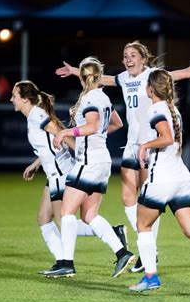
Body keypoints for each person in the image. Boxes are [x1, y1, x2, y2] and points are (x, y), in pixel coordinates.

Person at [55, 41, 190, 272]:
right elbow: (100, 78)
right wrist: (74, 72)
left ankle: (150, 251)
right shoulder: (124, 78)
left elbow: (186, 73)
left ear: (143, 59)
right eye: (125, 55)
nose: (128, 59)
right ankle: (148, 247)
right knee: (128, 199)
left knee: (149, 199)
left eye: (133, 55)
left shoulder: (153, 76)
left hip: (151, 147)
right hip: (132, 145)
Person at [128, 69, 190, 299]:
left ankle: (151, 277)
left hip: (160, 178)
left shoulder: (155, 109)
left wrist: (145, 146)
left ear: (150, 89)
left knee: (142, 225)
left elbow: (166, 138)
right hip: (181, 178)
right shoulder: (173, 109)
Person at [11, 80, 128, 275]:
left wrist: (80, 154)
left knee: (64, 220)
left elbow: (60, 134)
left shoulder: (37, 115)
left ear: (24, 99)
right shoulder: (34, 116)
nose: (11, 99)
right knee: (43, 219)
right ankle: (61, 262)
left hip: (61, 173)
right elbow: (50, 143)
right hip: (53, 173)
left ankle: (106, 238)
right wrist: (35, 164)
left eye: (14, 95)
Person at [48, 56, 136, 278]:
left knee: (66, 212)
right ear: (98, 77)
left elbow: (92, 125)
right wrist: (95, 136)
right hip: (102, 159)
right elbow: (117, 123)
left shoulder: (90, 98)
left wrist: (66, 131)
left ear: (83, 78)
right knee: (89, 215)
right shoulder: (103, 97)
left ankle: (66, 262)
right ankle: (122, 252)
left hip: (88, 161)